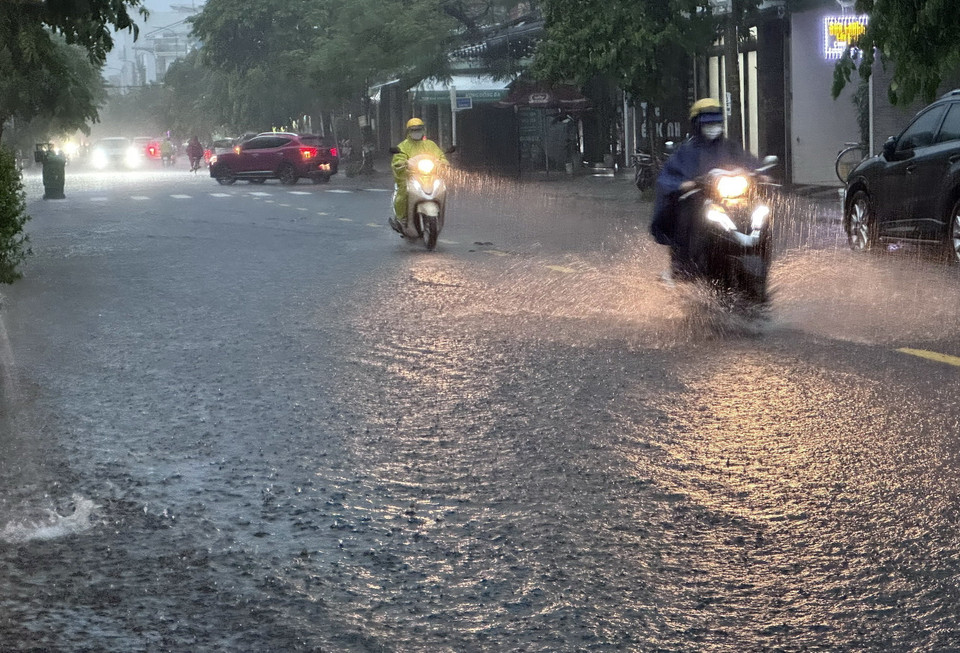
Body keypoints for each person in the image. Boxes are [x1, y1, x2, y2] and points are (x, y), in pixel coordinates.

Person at [650, 98, 760, 281]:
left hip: (731, 202)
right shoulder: (686, 152)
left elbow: (749, 163)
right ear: (697, 124)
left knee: (759, 213)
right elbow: (667, 178)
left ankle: (756, 254)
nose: (712, 127)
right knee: (685, 215)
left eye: (716, 123)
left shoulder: (731, 147)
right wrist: (682, 184)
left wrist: (760, 174)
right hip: (699, 203)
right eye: (707, 123)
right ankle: (682, 265)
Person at [389, 118, 448, 234]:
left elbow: (440, 156)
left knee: (442, 189)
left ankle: (439, 214)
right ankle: (401, 219)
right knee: (403, 192)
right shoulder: (403, 146)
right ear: (409, 132)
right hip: (410, 176)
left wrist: (443, 162)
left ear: (423, 130)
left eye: (419, 129)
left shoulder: (430, 144)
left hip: (430, 176)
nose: (416, 132)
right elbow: (398, 159)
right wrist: (402, 163)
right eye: (413, 130)